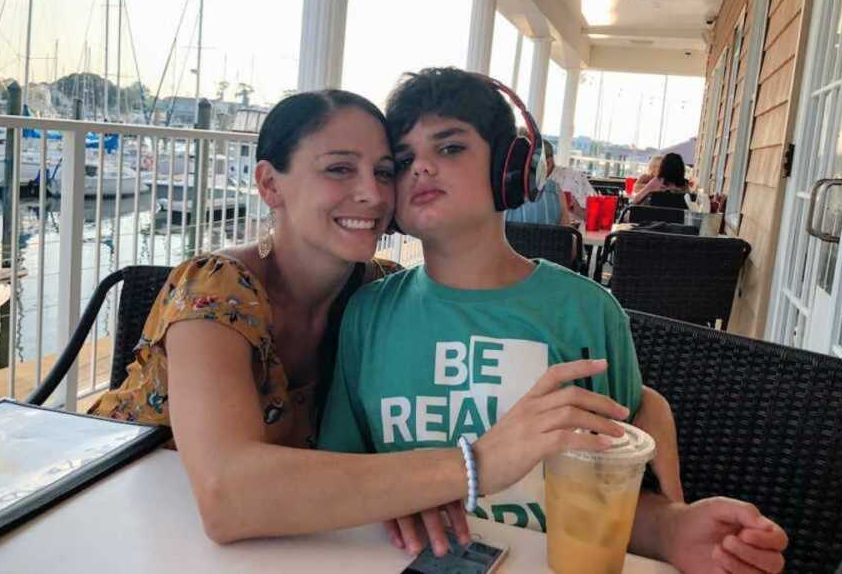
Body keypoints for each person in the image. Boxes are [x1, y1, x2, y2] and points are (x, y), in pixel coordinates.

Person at [87, 89, 631, 547]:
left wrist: (654, 415)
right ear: (270, 185)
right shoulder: (216, 289)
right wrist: (474, 466)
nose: (371, 193)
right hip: (112, 521)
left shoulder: (376, 293)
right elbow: (228, 493)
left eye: (383, 170)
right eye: (339, 169)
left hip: (279, 544)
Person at [319, 68, 787, 573]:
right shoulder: (367, 314)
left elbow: (609, 495)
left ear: (510, 167)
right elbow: (340, 479)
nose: (422, 169)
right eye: (404, 159)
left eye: (450, 148)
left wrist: (674, 529)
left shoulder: (586, 312)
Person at [504, 140, 569, 225]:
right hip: (548, 238)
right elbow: (566, 232)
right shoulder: (556, 191)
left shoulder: (502, 194)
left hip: (509, 238)